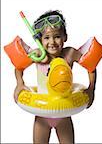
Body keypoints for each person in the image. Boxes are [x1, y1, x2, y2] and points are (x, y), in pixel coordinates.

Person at [14, 10, 97, 144]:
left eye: (57, 36)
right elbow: (19, 66)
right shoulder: (38, 55)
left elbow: (91, 66)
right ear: (40, 39)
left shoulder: (69, 54)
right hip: (41, 116)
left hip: (64, 114)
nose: (52, 42)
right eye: (46, 38)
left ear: (65, 37)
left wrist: (91, 89)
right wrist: (19, 84)